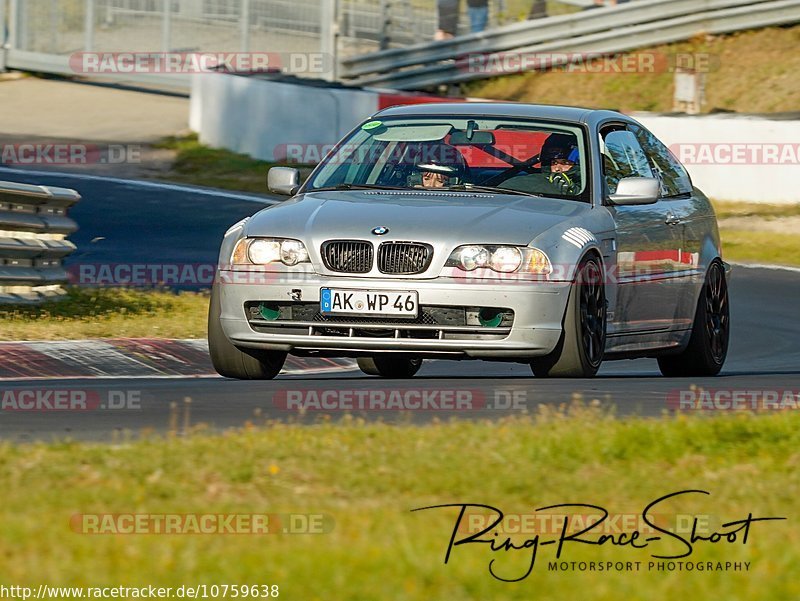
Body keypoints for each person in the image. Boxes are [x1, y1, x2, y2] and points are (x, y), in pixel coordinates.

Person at [499, 133, 582, 196]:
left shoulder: (589, 189)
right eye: (554, 163)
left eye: (565, 163)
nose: (557, 168)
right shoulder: (527, 183)